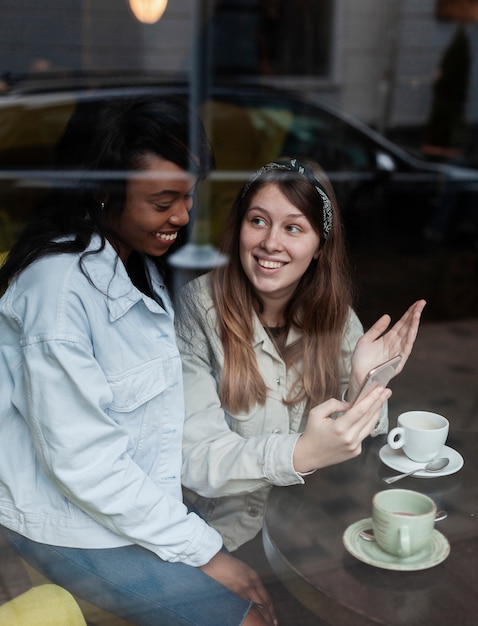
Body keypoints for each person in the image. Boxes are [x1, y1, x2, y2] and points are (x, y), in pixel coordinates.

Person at [0, 96, 277, 626]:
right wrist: (205, 552)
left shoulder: (131, 264)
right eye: (164, 200)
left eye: (189, 197)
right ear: (104, 191)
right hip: (68, 524)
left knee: (258, 590)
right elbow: (87, 465)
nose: (183, 216)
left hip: (122, 507)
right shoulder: (59, 291)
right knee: (248, 619)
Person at [176, 158, 426, 557]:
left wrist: (364, 384)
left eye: (293, 228)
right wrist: (301, 453)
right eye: (257, 221)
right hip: (222, 538)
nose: (270, 242)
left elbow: (356, 453)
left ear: (319, 248)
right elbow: (193, 458)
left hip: (312, 529)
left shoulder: (338, 318)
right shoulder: (198, 308)